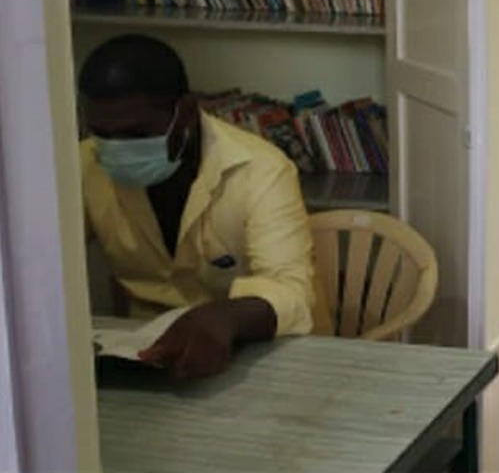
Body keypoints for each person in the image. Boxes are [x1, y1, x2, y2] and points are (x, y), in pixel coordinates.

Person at [80, 34, 322, 380]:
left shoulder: (260, 169)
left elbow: (290, 291)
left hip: (253, 348)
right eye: (102, 133)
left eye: (135, 135)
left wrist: (223, 318)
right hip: (144, 354)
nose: (117, 149)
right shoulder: (87, 163)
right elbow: (37, 263)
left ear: (187, 114)